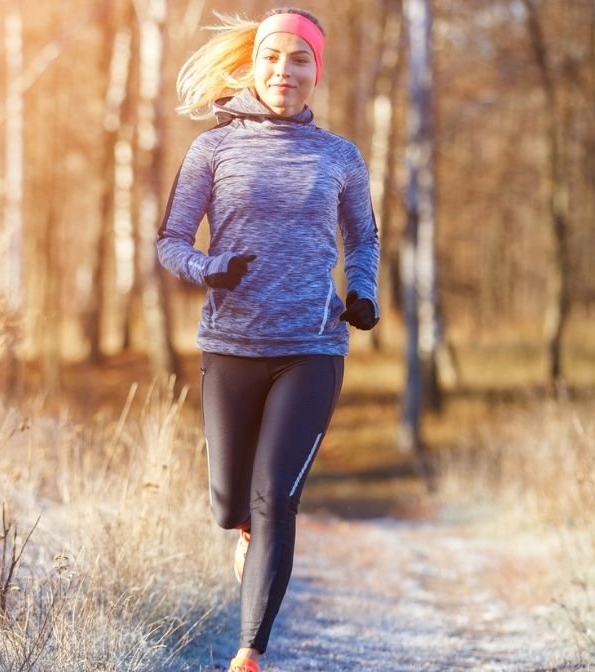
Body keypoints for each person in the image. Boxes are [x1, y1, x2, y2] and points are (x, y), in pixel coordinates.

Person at [156, 7, 380, 671]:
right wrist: (208, 269)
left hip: (311, 348)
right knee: (232, 503)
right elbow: (170, 240)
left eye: (301, 59)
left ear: (317, 71)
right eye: (274, 57)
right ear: (254, 66)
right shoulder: (213, 149)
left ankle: (250, 652)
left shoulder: (340, 156)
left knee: (276, 495)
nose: (287, 70)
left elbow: (362, 237)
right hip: (230, 345)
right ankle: (244, 531)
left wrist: (363, 293)